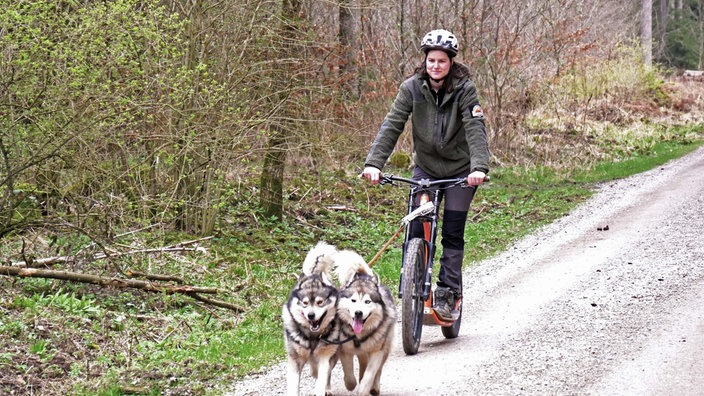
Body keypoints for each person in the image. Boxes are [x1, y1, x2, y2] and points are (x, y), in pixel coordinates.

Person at [361, 29, 490, 321]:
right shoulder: (411, 88)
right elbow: (392, 124)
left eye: (442, 61)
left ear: (451, 63)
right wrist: (374, 163)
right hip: (426, 170)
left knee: (453, 231)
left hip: (460, 172)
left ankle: (448, 292)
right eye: (431, 60)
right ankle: (412, 282)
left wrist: (479, 167)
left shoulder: (465, 89)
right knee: (418, 226)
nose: (436, 66)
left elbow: (475, 129)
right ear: (425, 61)